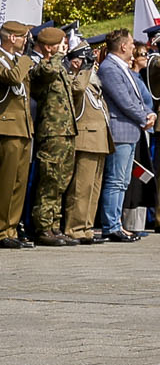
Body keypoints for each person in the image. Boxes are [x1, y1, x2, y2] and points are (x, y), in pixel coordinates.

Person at [0, 20, 36, 249]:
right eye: (22, 37)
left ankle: (11, 228)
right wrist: (25, 59)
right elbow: (12, 78)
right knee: (6, 182)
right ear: (11, 38)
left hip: (22, 126)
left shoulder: (16, 61)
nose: (25, 42)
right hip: (7, 127)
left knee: (19, 183)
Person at [97, 28, 156, 241]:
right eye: (131, 44)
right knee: (115, 180)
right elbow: (124, 101)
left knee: (122, 181)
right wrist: (144, 117)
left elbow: (139, 98)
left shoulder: (123, 68)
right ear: (123, 46)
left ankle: (117, 224)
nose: (134, 47)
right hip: (120, 130)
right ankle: (111, 226)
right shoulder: (110, 68)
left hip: (130, 131)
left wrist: (148, 113)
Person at [28, 28, 79, 245]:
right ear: (49, 47)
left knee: (61, 181)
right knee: (50, 178)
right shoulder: (41, 66)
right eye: (60, 43)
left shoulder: (57, 66)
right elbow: (45, 73)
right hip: (51, 132)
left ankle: (54, 225)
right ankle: (43, 227)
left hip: (66, 131)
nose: (64, 47)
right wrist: (57, 54)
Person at [67, 49, 112, 243]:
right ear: (76, 62)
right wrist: (83, 70)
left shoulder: (93, 85)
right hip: (86, 140)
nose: (93, 65)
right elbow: (76, 90)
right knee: (81, 188)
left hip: (99, 140)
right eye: (87, 61)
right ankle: (74, 228)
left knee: (94, 188)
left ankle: (86, 227)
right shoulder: (75, 79)